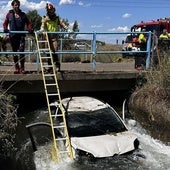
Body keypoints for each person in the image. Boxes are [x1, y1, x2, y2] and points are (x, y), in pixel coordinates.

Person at [3, 0, 33, 74]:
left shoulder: (23, 15)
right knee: (15, 53)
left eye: (18, 5)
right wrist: (5, 29)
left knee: (21, 52)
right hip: (13, 37)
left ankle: (22, 68)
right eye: (16, 5)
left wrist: (30, 29)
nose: (17, 6)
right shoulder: (9, 14)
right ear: (12, 6)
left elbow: (29, 23)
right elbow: (5, 23)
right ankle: (17, 68)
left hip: (21, 36)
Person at [40, 3, 68, 72]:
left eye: (52, 10)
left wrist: (67, 29)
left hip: (54, 38)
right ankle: (50, 67)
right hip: (47, 37)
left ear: (54, 10)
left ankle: (57, 66)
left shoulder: (57, 18)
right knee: (48, 53)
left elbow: (62, 24)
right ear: (47, 11)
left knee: (54, 52)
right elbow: (42, 25)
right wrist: (42, 30)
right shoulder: (45, 18)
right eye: (49, 10)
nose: (51, 11)